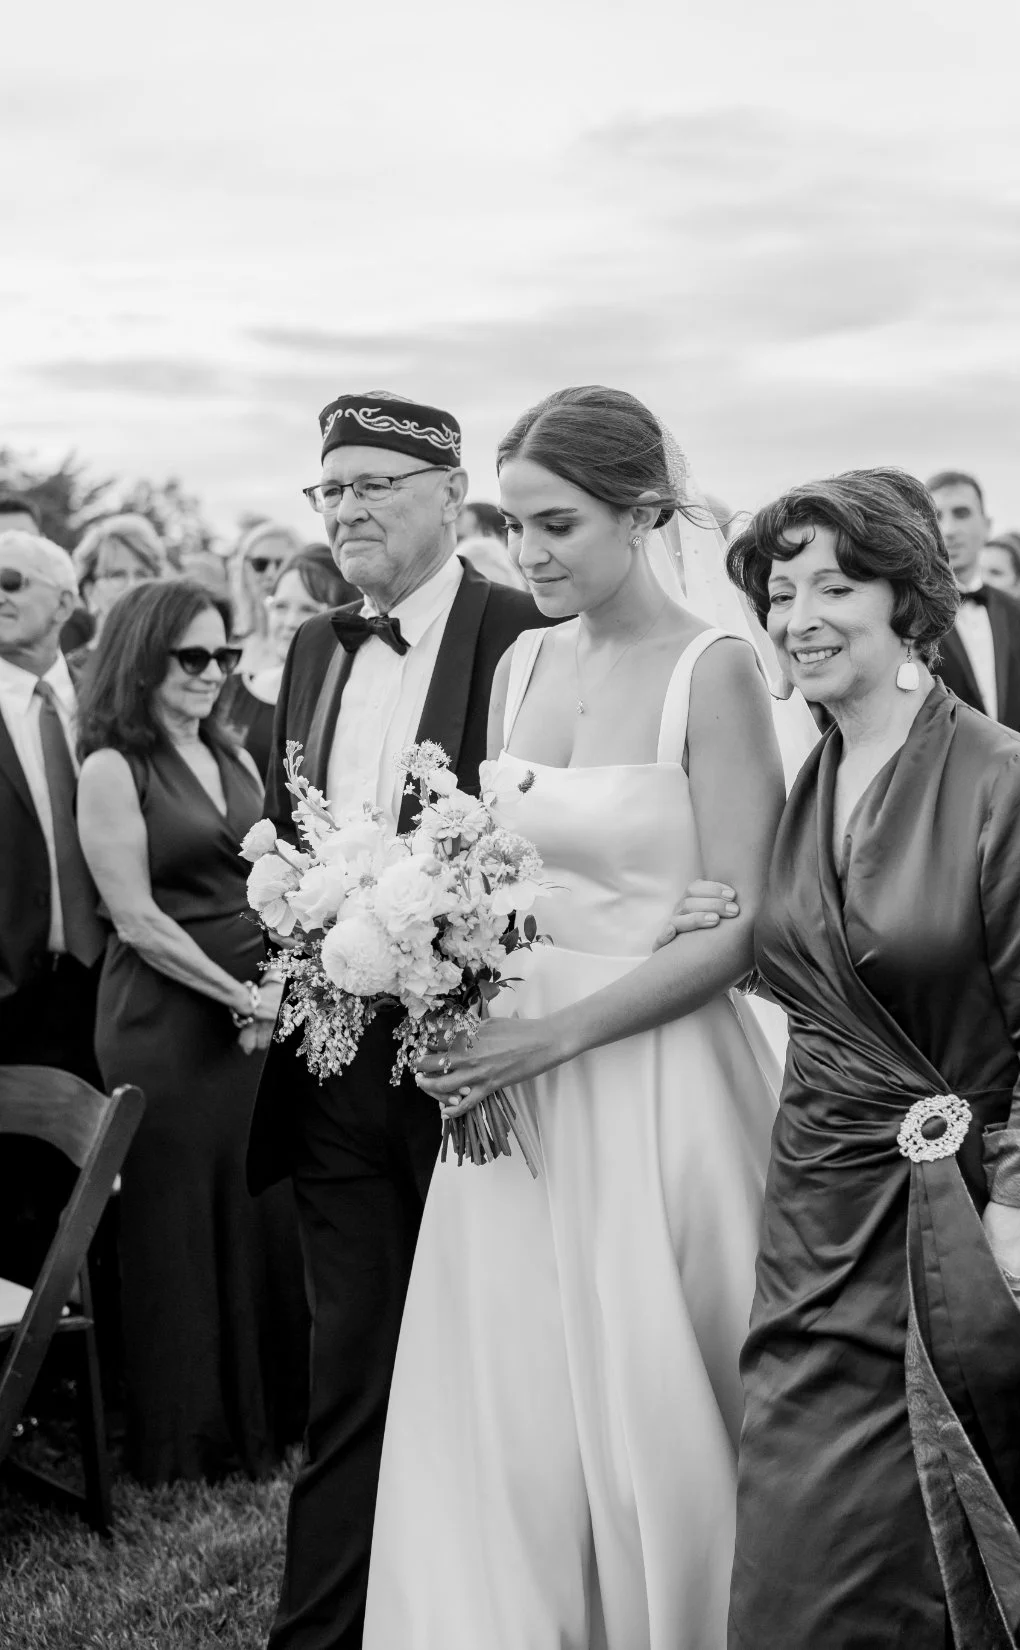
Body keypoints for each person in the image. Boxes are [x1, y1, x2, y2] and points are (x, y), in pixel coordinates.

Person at [363, 385, 786, 1650]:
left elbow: (739, 923)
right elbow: (489, 872)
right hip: (505, 1089)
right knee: (513, 1395)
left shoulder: (713, 672)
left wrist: (545, 1036)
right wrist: (437, 974)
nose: (529, 553)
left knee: (654, 1385)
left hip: (650, 1079)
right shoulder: (520, 662)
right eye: (515, 524)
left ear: (641, 513)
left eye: (558, 525)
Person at [669, 467, 1020, 1647]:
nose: (795, 614)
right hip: (817, 1221)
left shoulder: (1007, 783)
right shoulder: (805, 783)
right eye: (777, 590)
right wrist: (732, 937)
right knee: (794, 1563)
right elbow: (843, 984)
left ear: (909, 602)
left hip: (967, 1235)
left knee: (953, 1556)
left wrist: (1007, 1246)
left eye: (831, 585)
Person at [247, 391, 543, 1650]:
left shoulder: (527, 632)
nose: (349, 508)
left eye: (376, 483)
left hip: (479, 1068)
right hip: (329, 1075)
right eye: (333, 488)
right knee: (351, 1362)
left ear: (449, 491)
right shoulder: (316, 646)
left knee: (493, 1359)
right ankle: (320, 1631)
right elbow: (287, 817)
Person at [76, 579, 308, 1484]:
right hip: (166, 1023)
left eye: (227, 656)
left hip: (255, 1013)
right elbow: (133, 919)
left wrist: (279, 988)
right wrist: (237, 998)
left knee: (259, 1211)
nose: (216, 675)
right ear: (143, 658)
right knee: (179, 1221)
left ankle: (273, 1419)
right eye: (194, 658)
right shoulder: (112, 767)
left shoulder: (238, 753)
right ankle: (188, 1439)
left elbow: (278, 884)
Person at [0, 529, 106, 1280]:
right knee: (13, 1194)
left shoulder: (105, 696)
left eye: (11, 579)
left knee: (103, 1190)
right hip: (10, 986)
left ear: (66, 600)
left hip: (110, 981)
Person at [927, 470, 1020, 745]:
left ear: (987, 525)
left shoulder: (1018, 612)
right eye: (936, 516)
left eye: (962, 513)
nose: (948, 529)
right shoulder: (909, 614)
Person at [220, 545, 358, 774]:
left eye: (308, 609)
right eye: (281, 606)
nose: (290, 621)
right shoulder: (230, 690)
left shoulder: (351, 705)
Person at [71, 514, 168, 653]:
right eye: (117, 575)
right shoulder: (70, 673)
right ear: (89, 590)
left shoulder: (176, 664)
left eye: (142, 575)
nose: (132, 586)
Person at [230, 521, 303, 676]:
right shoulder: (229, 637)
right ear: (244, 568)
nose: (271, 574)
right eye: (260, 564)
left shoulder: (304, 638)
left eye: (281, 563)